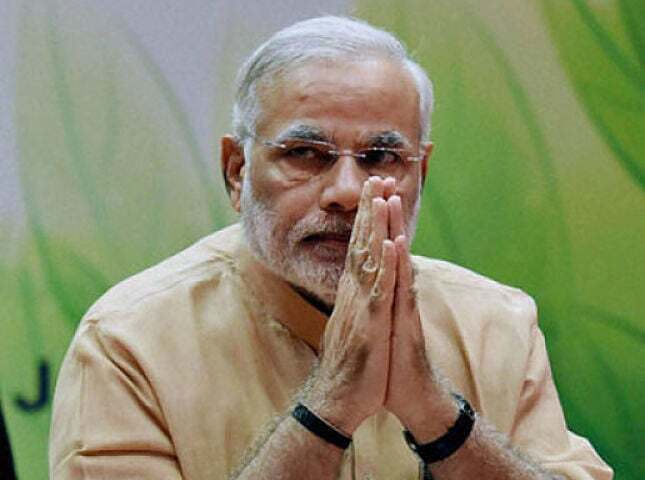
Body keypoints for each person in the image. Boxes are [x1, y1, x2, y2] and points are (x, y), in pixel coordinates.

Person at [49, 16, 613, 479]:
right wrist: (330, 404)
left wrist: (436, 414)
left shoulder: (497, 323)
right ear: (237, 171)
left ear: (421, 174)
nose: (346, 192)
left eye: (381, 158)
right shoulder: (128, 342)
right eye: (304, 153)